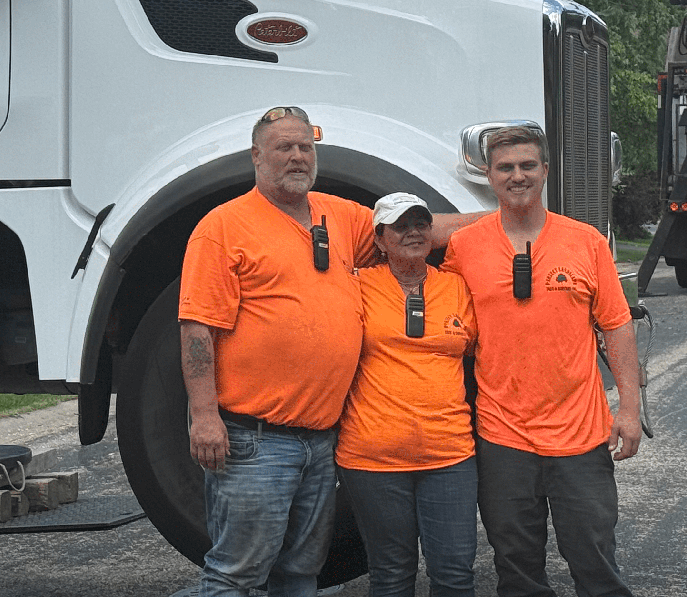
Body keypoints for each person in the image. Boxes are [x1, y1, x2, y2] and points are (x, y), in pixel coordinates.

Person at [178, 106, 480, 597]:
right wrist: (204, 416)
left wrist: (512, 219)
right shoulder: (224, 227)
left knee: (301, 574)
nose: (297, 156)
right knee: (236, 574)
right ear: (256, 156)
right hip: (256, 439)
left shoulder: (336, 214)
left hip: (319, 442)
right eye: (284, 147)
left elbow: (421, 231)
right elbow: (198, 327)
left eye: (305, 146)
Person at [442, 125, 643, 597]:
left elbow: (617, 326)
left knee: (595, 562)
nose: (517, 176)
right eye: (505, 168)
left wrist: (630, 411)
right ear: (489, 176)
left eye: (528, 165)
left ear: (546, 171)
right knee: (517, 570)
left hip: (581, 436)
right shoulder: (464, 247)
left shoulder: (586, 242)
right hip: (503, 436)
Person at [337, 192, 480, 597]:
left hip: (449, 456)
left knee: (454, 575)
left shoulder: (456, 287)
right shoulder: (356, 285)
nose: (413, 232)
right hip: (372, 459)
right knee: (391, 575)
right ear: (379, 240)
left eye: (420, 224)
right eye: (400, 226)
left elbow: (483, 353)